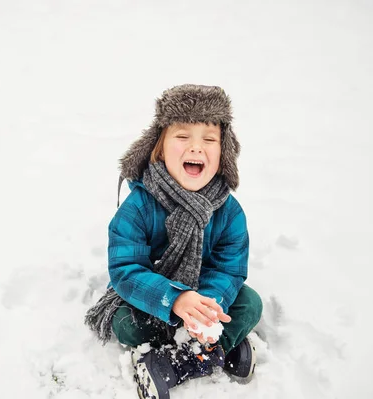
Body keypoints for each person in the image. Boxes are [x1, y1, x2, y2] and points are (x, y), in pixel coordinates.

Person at [84, 84, 263, 399]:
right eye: (182, 137)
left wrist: (208, 307)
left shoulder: (230, 212)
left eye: (208, 140)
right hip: (155, 298)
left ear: (224, 154)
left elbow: (230, 269)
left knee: (250, 304)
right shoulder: (138, 207)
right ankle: (215, 349)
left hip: (203, 295)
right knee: (126, 324)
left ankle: (198, 350)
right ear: (159, 147)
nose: (195, 148)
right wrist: (176, 300)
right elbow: (126, 269)